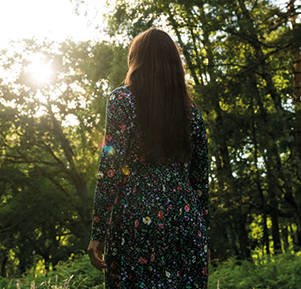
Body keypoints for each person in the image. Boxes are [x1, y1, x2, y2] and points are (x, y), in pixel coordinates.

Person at [87, 28, 209, 288]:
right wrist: (204, 234)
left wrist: (98, 233)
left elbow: (110, 168)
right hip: (185, 220)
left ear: (136, 62)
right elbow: (200, 180)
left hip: (136, 218)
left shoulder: (122, 100)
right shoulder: (192, 112)